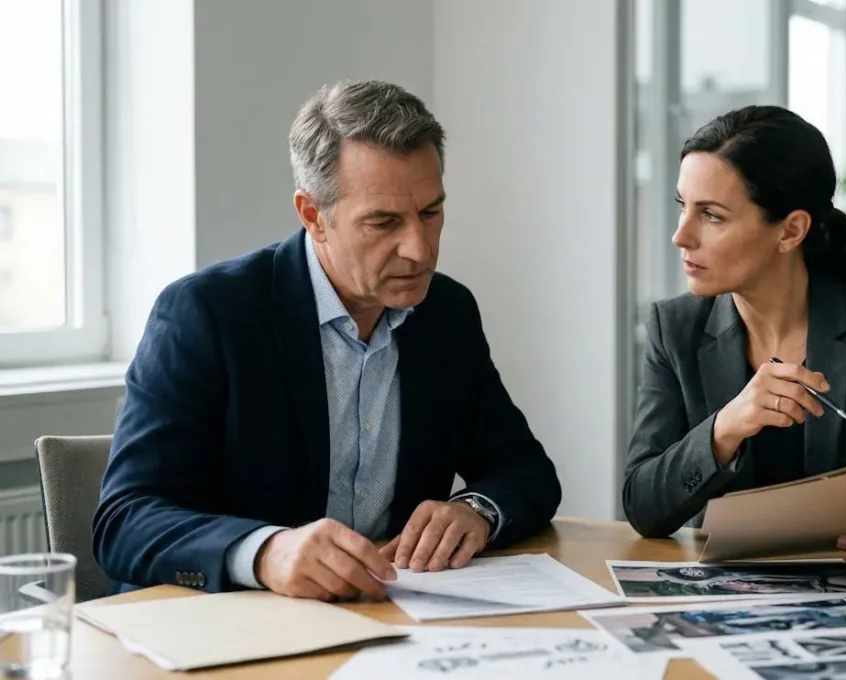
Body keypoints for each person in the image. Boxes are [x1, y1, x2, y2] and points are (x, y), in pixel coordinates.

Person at [93, 80, 561, 600]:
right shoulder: (206, 314)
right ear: (313, 216)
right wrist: (266, 552)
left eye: (430, 212)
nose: (419, 249)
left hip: (384, 618)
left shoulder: (446, 312)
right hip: (222, 624)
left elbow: (526, 470)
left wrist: (475, 510)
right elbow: (126, 520)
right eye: (383, 222)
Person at [622, 105, 846, 574]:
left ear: (791, 230)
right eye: (682, 207)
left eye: (711, 215)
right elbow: (642, 506)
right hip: (727, 606)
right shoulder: (674, 330)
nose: (680, 236)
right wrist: (725, 428)